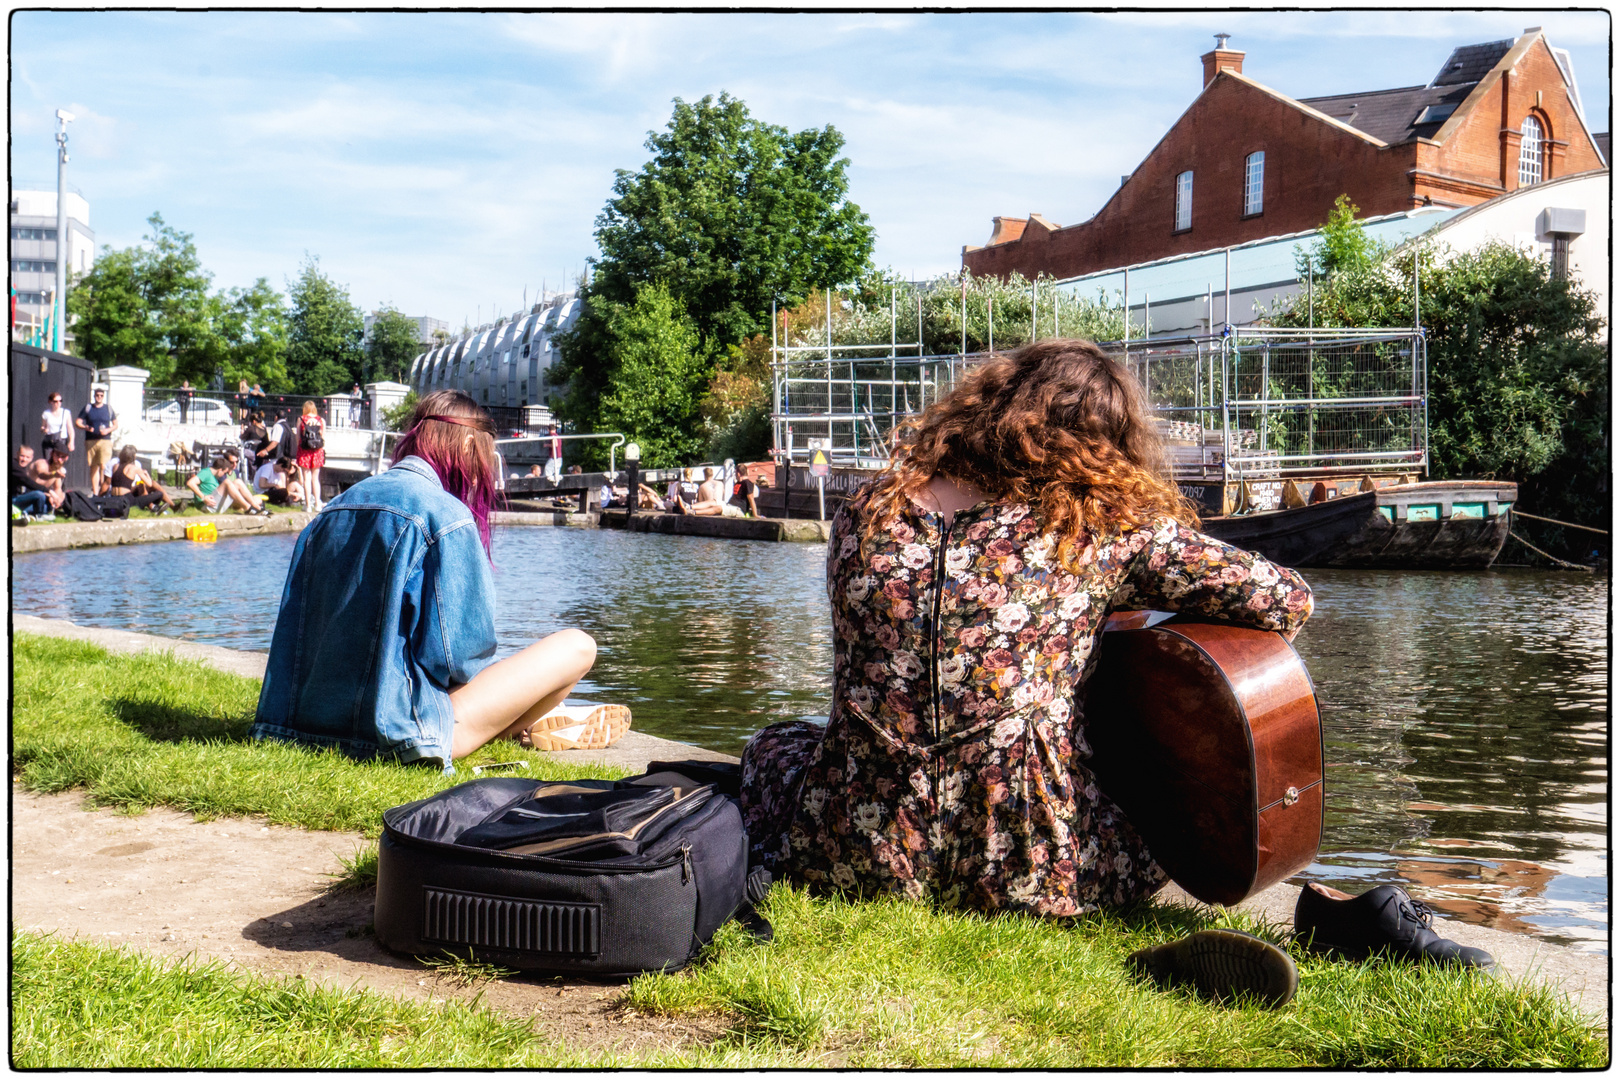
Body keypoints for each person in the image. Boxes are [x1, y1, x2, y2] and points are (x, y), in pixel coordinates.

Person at [735, 339, 1486, 1006]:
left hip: (853, 847)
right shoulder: (1101, 526)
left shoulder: (869, 506)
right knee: (1137, 793)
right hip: (1030, 867)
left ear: (985, 407)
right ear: (1106, 441)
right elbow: (1289, 598)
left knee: (776, 747)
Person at [251, 389, 633, 769]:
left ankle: (537, 721)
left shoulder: (331, 511)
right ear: (468, 443)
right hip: (393, 729)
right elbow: (461, 660)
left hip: (296, 723)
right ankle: (532, 720)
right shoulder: (445, 516)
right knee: (577, 646)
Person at [186, 452, 266, 515]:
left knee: (239, 483)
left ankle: (256, 507)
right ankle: (248, 508)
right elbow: (190, 483)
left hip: (215, 503)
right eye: (224, 472)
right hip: (207, 506)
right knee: (227, 482)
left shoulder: (215, 477)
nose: (224, 474)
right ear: (220, 470)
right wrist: (203, 498)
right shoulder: (206, 472)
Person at [75, 387, 118, 496]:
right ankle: (95, 492)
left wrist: (108, 430)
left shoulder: (108, 408)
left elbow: (115, 425)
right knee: (94, 466)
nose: (99, 397)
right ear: (94, 396)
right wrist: (86, 427)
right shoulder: (88, 408)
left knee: (104, 466)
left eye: (101, 395)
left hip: (105, 440)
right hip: (91, 440)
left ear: (103, 397)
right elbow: (78, 422)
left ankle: (104, 491)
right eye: (97, 395)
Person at [108, 445, 177, 512]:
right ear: (133, 456)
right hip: (127, 499)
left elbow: (121, 483)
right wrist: (146, 474)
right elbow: (149, 484)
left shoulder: (115, 466)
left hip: (114, 498)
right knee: (160, 494)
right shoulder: (134, 468)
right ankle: (155, 508)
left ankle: (154, 508)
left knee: (140, 488)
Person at [11, 444, 63, 517]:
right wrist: (50, 492)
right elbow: (28, 481)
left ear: (31, 458)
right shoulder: (14, 465)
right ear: (17, 454)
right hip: (13, 499)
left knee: (47, 506)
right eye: (22, 456)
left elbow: (29, 487)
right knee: (39, 494)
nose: (24, 459)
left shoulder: (23, 468)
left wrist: (49, 496)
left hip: (18, 498)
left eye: (27, 457)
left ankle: (22, 513)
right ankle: (39, 516)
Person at [295, 400, 326, 512]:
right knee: (315, 479)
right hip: (317, 451)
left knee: (306, 478)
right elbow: (323, 437)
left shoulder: (301, 419)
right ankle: (318, 504)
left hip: (305, 450)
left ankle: (308, 505)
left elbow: (298, 437)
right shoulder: (321, 420)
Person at [40, 393, 73, 457]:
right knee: (48, 461)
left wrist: (71, 441)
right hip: (50, 440)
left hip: (61, 440)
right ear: (51, 402)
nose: (58, 403)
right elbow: (42, 427)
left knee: (59, 460)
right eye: (56, 401)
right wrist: (44, 429)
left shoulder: (66, 412)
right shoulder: (46, 413)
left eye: (60, 401)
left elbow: (70, 428)